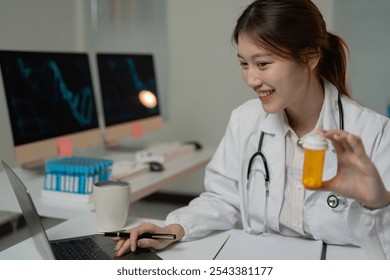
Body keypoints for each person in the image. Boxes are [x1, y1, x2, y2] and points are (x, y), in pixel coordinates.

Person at [114, 0, 390, 259]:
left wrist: (378, 203)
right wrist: (174, 229)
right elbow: (224, 199)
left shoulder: (374, 132)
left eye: (262, 64)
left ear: (309, 58)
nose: (251, 79)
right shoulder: (245, 120)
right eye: (244, 64)